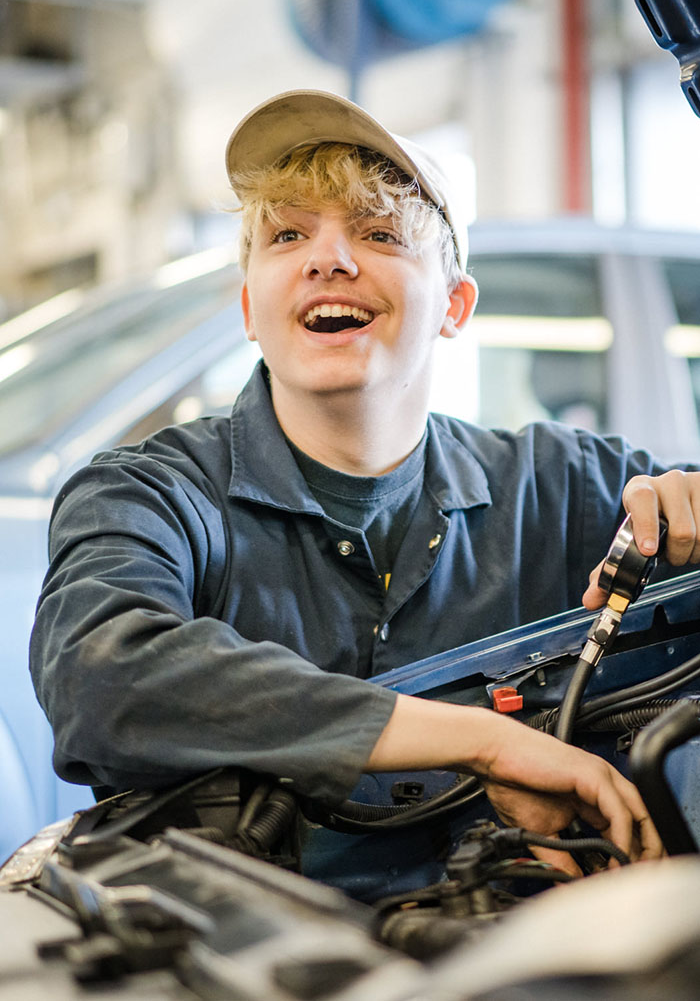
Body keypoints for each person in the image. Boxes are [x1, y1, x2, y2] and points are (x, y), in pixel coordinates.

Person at [30, 89, 700, 876]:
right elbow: (102, 673)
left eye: (379, 232)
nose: (328, 259)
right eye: (287, 234)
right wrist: (487, 741)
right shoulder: (149, 496)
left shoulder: (562, 486)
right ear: (251, 306)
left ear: (454, 305)